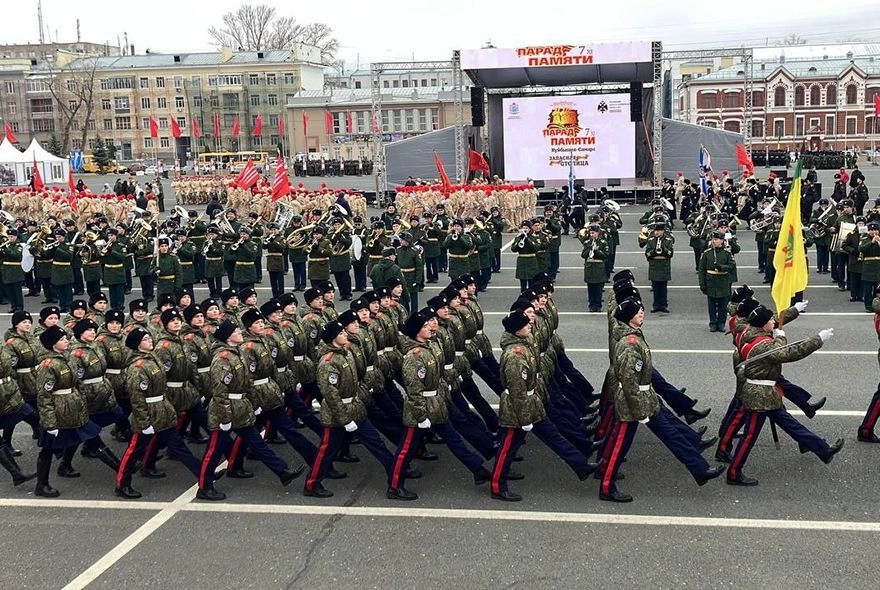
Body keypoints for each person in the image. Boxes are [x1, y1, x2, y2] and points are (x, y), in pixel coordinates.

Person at [599, 298, 723, 502]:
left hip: (646, 399)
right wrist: (639, 412)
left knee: (672, 435)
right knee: (619, 446)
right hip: (633, 404)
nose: (642, 313)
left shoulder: (634, 336)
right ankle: (606, 486)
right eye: (638, 311)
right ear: (628, 317)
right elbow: (629, 382)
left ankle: (700, 469)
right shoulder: (630, 344)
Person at [726, 306, 843, 486]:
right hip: (759, 396)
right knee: (749, 436)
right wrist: (817, 340)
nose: (773, 322)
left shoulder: (751, 332)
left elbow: (776, 329)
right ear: (763, 325)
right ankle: (733, 473)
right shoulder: (762, 344)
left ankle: (822, 450)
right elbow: (788, 353)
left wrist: (792, 312)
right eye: (770, 321)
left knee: (791, 424)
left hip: (767, 394)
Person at [490, 310, 597, 502]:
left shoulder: (523, 344)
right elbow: (517, 391)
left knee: (554, 436)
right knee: (508, 448)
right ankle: (497, 485)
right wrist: (524, 419)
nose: (530, 325)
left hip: (532, 403)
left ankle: (581, 465)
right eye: (525, 325)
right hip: (518, 409)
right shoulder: (515, 355)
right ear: (516, 330)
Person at [198, 321, 304, 498]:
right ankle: (204, 487)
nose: (240, 332)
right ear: (228, 336)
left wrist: (253, 405)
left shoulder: (236, 353)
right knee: (214, 451)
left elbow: (247, 383)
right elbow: (220, 391)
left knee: (257, 443)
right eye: (236, 331)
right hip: (225, 410)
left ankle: (282, 471)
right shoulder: (223, 359)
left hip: (240, 407)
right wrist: (224, 418)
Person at [303, 320, 395, 498]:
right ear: (332, 339)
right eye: (341, 333)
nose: (346, 334)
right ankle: (311, 483)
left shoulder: (346, 353)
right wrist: (345, 419)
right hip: (337, 414)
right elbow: (330, 395)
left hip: (355, 407)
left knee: (376, 442)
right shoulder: (328, 362)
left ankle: (395, 472)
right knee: (327, 450)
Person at [33, 326, 102, 497]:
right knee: (48, 449)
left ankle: (64, 466)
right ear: (53, 344)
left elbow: (76, 383)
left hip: (73, 407)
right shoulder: (47, 365)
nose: (67, 341)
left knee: (92, 437)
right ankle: (41, 485)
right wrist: (49, 423)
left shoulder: (68, 358)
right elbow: (44, 395)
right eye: (62, 339)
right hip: (57, 411)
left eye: (66, 339)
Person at [698, 230, 735, 332]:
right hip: (711, 281)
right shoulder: (707, 253)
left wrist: (722, 267)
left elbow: (732, 265)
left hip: (723, 281)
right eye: (713, 239)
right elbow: (702, 269)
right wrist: (702, 283)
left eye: (717, 239)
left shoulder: (727, 253)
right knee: (712, 304)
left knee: (723, 304)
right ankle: (713, 323)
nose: (714, 241)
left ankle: (721, 323)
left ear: (722, 241)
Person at [645, 221, 673, 313]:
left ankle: (663, 305)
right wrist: (653, 252)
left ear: (663, 231)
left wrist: (663, 250)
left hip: (664, 265)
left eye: (658, 230)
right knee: (656, 287)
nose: (656, 232)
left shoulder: (668, 240)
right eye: (655, 230)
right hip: (654, 265)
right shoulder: (650, 240)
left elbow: (670, 253)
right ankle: (656, 305)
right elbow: (647, 254)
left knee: (663, 287)